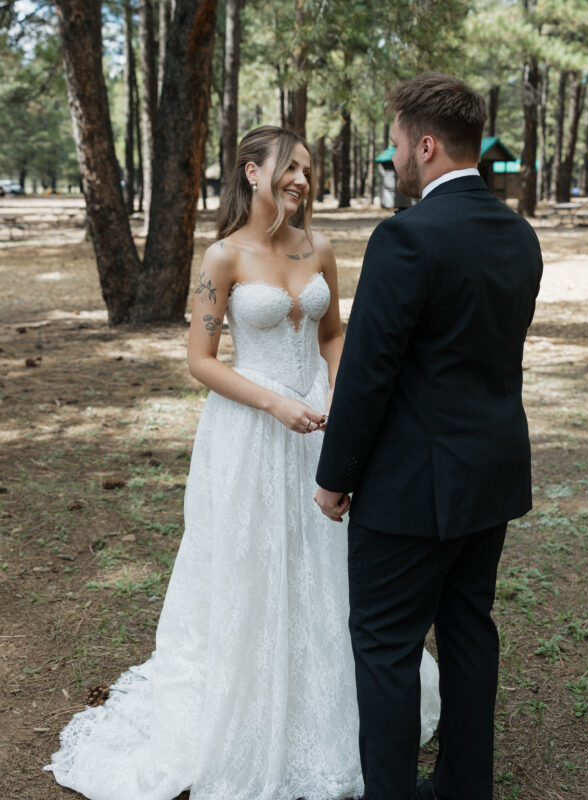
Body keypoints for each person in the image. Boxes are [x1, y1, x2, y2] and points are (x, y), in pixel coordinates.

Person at [45, 125, 439, 800]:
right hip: (249, 433)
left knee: (321, 560)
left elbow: (332, 332)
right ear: (251, 173)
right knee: (248, 561)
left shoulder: (321, 247)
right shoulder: (222, 257)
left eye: (308, 172)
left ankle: (325, 702)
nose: (300, 180)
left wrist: (339, 395)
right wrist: (271, 404)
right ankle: (245, 705)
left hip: (317, 423)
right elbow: (198, 361)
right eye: (289, 168)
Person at [314, 74, 543, 800]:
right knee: (469, 629)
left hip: (411, 486)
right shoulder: (518, 233)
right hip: (491, 474)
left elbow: (367, 372)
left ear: (425, 144)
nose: (391, 156)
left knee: (384, 646)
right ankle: (463, 788)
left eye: (394, 143)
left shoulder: (405, 237)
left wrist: (335, 474)